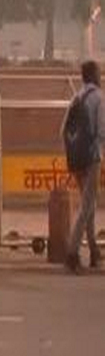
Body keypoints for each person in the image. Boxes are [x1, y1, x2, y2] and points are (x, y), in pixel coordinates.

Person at [63, 60, 105, 273]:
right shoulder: (98, 97)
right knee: (87, 206)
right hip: (92, 157)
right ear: (95, 75)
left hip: (76, 159)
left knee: (87, 204)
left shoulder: (77, 97)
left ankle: (95, 252)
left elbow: (64, 129)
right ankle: (72, 252)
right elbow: (101, 131)